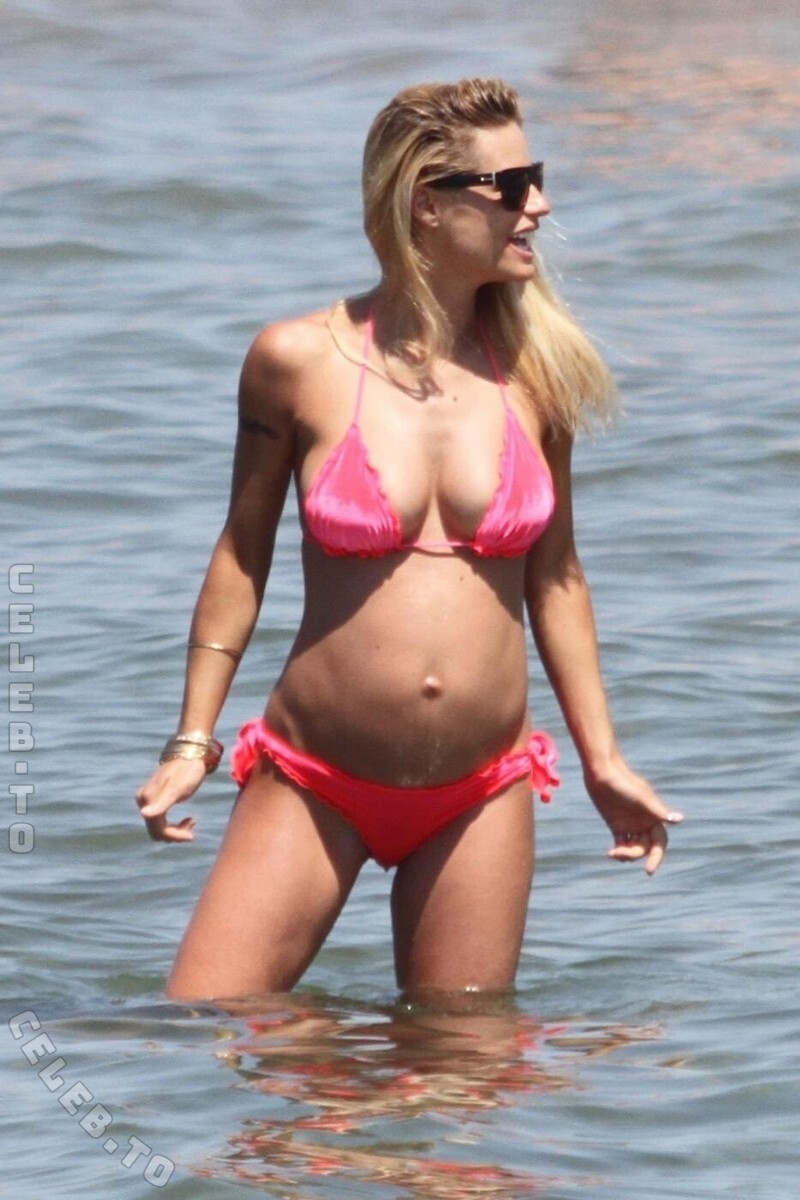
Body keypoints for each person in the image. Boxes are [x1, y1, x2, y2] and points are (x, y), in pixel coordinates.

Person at [135, 77, 683, 1003]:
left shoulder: (539, 373)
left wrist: (604, 759)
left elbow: (556, 576)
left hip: (481, 790)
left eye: (538, 179)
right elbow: (240, 554)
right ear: (427, 203)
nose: (540, 206)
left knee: (461, 1068)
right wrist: (193, 740)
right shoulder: (297, 360)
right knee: (207, 1026)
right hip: (316, 779)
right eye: (513, 185)